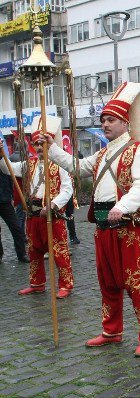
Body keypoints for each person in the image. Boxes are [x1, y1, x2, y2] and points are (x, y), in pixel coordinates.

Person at [40, 82, 140, 357]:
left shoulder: (138, 150)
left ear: (124, 122)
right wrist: (52, 149)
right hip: (104, 228)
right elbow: (78, 167)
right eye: (103, 120)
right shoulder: (103, 153)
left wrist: (123, 205)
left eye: (110, 120)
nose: (105, 124)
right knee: (107, 282)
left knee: (137, 282)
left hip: (129, 227)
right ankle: (112, 331)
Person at [1, 116, 75, 297]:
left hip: (52, 216)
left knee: (59, 253)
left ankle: (66, 285)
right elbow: (7, 168)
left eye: (43, 144)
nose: (40, 148)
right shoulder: (29, 164)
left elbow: (67, 190)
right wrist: (1, 154)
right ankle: (37, 284)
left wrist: (54, 204)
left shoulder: (61, 165)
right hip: (33, 216)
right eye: (36, 144)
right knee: (34, 252)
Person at [0, 169, 28, 264]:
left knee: (16, 228)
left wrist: (12, 196)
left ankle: (22, 254)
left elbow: (9, 179)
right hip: (5, 198)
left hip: (5, 201)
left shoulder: (2, 162)